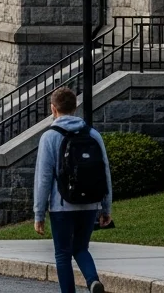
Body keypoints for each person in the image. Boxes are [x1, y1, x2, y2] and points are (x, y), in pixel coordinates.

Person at [34, 87, 113, 293]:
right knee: (81, 248)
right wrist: (106, 208)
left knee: (62, 254)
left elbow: (43, 179)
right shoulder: (93, 134)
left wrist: (39, 213)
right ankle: (92, 280)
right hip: (90, 205)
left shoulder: (49, 137)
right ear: (75, 107)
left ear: (53, 109)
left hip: (62, 207)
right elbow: (104, 172)